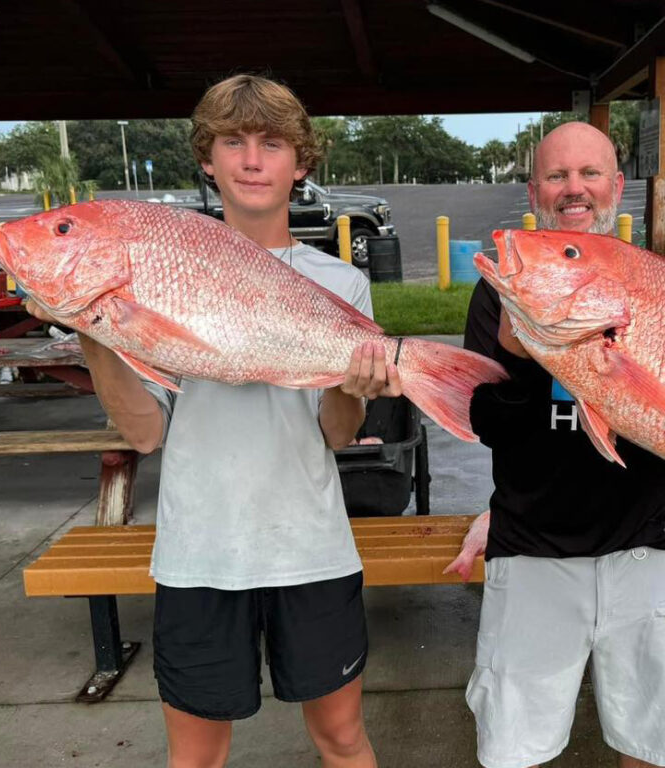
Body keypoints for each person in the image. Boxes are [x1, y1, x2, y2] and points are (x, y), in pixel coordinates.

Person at [27, 74, 396, 768]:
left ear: (301, 162)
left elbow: (339, 434)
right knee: (196, 757)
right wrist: (93, 326)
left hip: (309, 550)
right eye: (234, 141)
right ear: (207, 158)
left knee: (343, 739)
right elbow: (144, 432)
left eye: (272, 143)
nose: (253, 159)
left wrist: (356, 386)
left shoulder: (340, 282)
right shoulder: (157, 271)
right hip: (200, 555)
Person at [463, 121, 665, 768]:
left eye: (589, 173)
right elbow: (487, 425)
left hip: (643, 549)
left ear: (617, 188)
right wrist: (514, 360)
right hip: (532, 552)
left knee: (654, 742)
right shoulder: (500, 293)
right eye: (557, 175)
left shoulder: (658, 283)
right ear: (535, 189)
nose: (575, 189)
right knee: (514, 747)